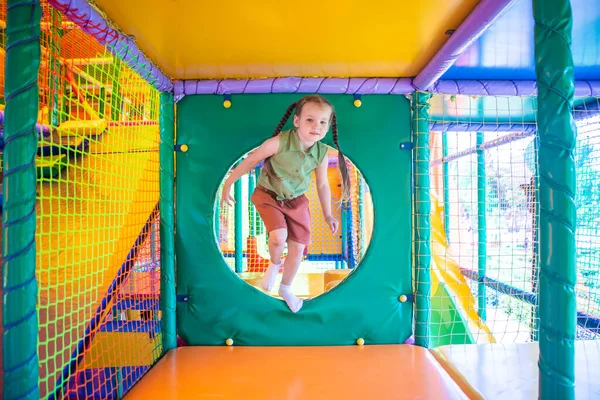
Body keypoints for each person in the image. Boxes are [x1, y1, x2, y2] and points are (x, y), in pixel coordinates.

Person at [221, 95, 351, 312]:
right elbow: (251, 160)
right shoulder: (279, 142)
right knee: (279, 237)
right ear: (297, 121)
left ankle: (286, 288)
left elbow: (322, 185)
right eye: (310, 120)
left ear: (328, 127)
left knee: (298, 247)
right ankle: (273, 264)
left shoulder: (321, 152)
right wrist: (228, 183)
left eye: (322, 122)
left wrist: (328, 214)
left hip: (296, 201)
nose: (316, 127)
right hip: (268, 195)